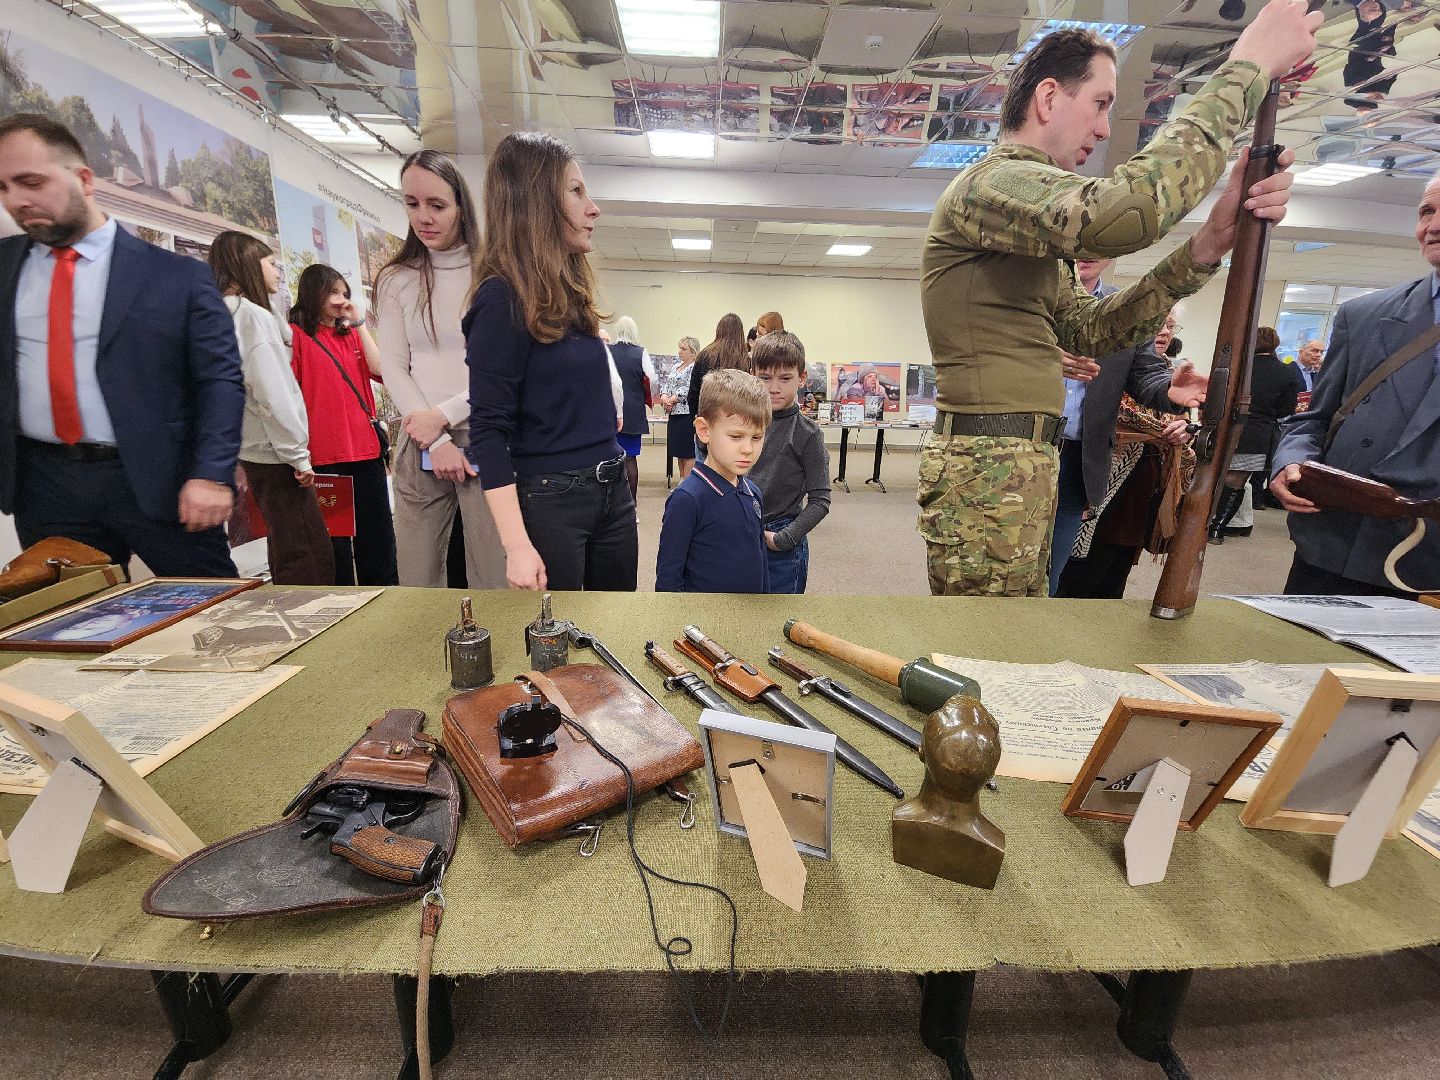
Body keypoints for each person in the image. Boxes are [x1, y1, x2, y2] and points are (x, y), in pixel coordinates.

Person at [916, 2, 1319, 597]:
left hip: (1014, 459)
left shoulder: (1024, 230)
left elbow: (1089, 331)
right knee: (986, 641)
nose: (1106, 129)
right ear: (1048, 99)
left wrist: (1208, 243)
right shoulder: (991, 183)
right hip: (989, 461)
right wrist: (1246, 68)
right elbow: (1123, 216)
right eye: (1101, 103)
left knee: (1006, 634)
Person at [0, 113, 243, 577]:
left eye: (31, 182)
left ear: (84, 179)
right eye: (4, 188)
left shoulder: (177, 276)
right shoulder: (4, 269)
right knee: (71, 626)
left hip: (162, 480)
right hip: (47, 484)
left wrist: (211, 473)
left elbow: (219, 381)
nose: (17, 201)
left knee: (214, 618)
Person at [465, 131, 637, 592]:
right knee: (557, 642)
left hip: (612, 487)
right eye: (576, 191)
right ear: (537, 202)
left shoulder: (569, 293)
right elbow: (487, 431)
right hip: (551, 498)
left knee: (616, 625)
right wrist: (517, 546)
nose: (593, 207)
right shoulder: (501, 299)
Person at [1269, 169, 1440, 596]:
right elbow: (1312, 421)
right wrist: (1289, 463)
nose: (1433, 226)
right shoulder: (1363, 316)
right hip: (1332, 544)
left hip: (1429, 564)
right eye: (1427, 211)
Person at [375, 149, 505, 590]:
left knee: (494, 577)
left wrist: (445, 417)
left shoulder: (493, 275)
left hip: (485, 434)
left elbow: (500, 368)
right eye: (412, 204)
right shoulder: (396, 279)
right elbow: (393, 365)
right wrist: (434, 435)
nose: (424, 217)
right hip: (419, 437)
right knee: (417, 578)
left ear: (460, 206)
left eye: (437, 205)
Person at [1049, 282, 1200, 594]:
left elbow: (1147, 380)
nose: (1163, 332)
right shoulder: (1031, 293)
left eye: (1169, 325)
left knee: (1067, 573)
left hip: (1092, 465)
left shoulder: (1131, 314)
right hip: (1020, 450)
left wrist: (1175, 402)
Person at [208, 231, 333, 585]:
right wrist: (298, 455)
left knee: (287, 547)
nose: (278, 271)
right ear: (247, 265)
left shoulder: (223, 314)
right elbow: (271, 393)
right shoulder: (250, 317)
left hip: (254, 451)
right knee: (309, 556)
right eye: (270, 263)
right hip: (276, 454)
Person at [288, 264, 398, 587]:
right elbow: (289, 395)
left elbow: (382, 370)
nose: (340, 300)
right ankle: (343, 607)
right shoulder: (296, 336)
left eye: (344, 293)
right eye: (333, 292)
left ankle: (383, 599)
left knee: (376, 536)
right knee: (333, 547)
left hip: (365, 450)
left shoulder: (349, 333)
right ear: (314, 293)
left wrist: (360, 323)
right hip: (323, 456)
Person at [655, 368, 770, 593]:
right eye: (736, 436)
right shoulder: (687, 500)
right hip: (702, 622)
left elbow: (762, 562)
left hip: (749, 616)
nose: (748, 449)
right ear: (704, 431)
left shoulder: (752, 492)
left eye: (756, 437)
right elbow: (668, 578)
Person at [749, 331, 830, 594]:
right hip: (741, 531)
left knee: (779, 617)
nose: (774, 388)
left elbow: (820, 500)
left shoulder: (808, 434)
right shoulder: (743, 425)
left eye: (785, 378)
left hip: (781, 543)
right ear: (753, 375)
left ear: (802, 378)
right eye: (765, 378)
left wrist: (785, 539)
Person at [1207, 326, 1302, 543]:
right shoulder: (1286, 372)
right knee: (1237, 481)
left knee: (1212, 476)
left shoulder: (1237, 367)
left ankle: (1199, 522)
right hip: (1258, 433)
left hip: (1224, 428)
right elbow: (1287, 408)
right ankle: (1217, 529)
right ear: (1275, 344)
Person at [608, 315, 657, 499]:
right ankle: (632, 503)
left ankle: (611, 502)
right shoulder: (640, 352)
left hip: (610, 411)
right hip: (634, 412)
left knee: (609, 459)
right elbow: (652, 379)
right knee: (630, 459)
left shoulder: (608, 350)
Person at [659, 335, 700, 480]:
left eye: (684, 349)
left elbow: (688, 388)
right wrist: (664, 396)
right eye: (679, 348)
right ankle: (681, 479)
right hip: (673, 414)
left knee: (688, 451)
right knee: (678, 451)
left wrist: (672, 399)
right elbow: (666, 384)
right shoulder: (676, 366)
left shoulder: (694, 368)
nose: (680, 351)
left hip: (686, 414)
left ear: (693, 352)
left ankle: (687, 482)